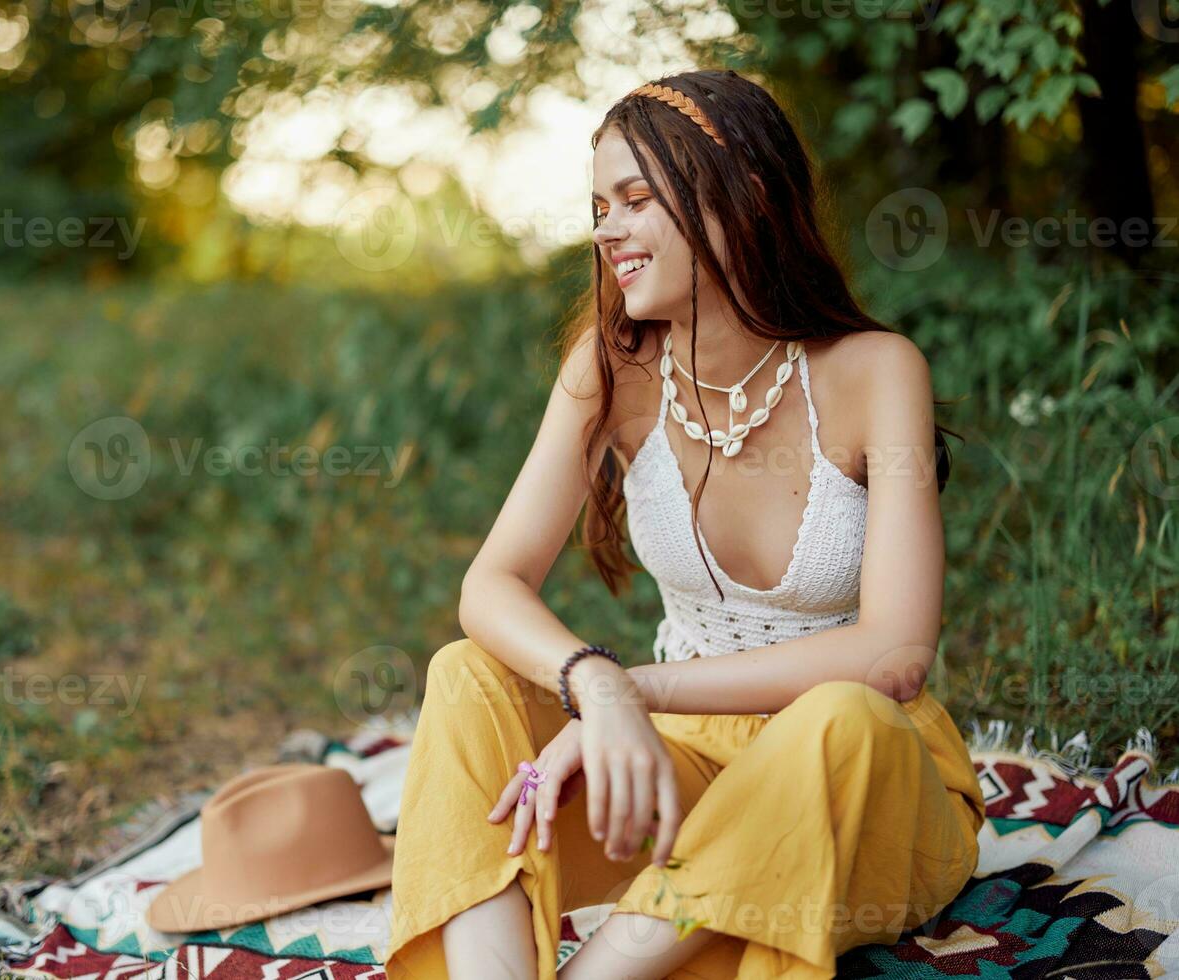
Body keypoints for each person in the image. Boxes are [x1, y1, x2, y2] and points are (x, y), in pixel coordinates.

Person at [382, 69, 986, 980]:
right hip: (682, 781)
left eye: (634, 198)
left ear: (743, 195)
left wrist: (639, 693)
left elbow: (894, 655)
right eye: (598, 205)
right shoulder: (611, 371)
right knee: (465, 675)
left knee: (842, 718)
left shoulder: (875, 371)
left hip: (856, 784)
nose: (605, 230)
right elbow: (489, 586)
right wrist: (595, 684)